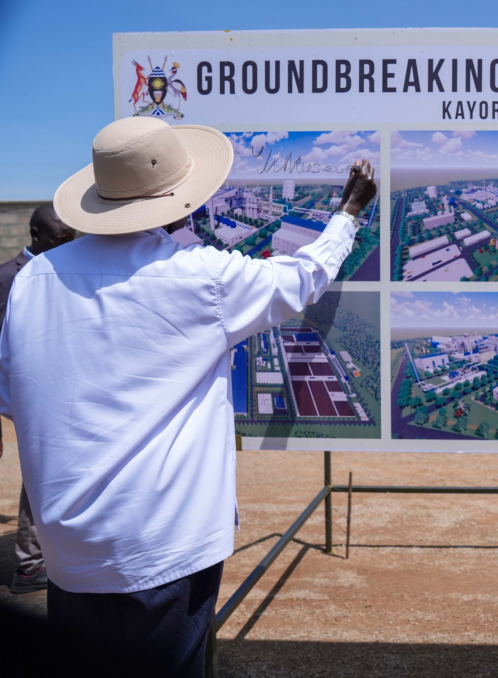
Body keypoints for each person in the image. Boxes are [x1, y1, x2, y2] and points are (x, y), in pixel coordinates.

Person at [0, 116, 376, 676]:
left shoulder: (34, 279)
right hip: (166, 543)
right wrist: (348, 213)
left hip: (69, 549)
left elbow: (15, 394)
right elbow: (302, 278)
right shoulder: (201, 275)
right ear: (179, 202)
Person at [0, 203, 76, 594]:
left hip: (60, 394)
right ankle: (30, 565)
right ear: (36, 236)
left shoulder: (65, 272)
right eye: (61, 239)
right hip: (25, 397)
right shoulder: (7, 278)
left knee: (52, 472)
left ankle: (44, 556)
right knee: (39, 472)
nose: (68, 246)